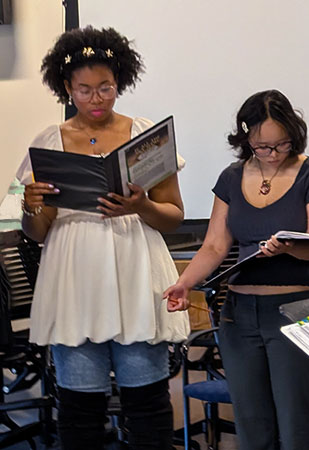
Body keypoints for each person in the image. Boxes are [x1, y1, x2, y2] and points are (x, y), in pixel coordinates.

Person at [16, 26, 189, 449]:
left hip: (135, 266)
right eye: (85, 90)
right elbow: (37, 232)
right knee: (78, 408)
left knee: (147, 403)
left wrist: (140, 206)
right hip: (74, 276)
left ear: (121, 82)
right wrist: (31, 206)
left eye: (106, 88)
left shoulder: (145, 135)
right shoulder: (49, 142)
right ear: (67, 88)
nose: (97, 99)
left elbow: (173, 216)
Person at [163, 89, 309, 449]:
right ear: (246, 139)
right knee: (253, 429)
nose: (273, 154)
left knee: (297, 430)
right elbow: (214, 245)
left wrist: (290, 246)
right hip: (238, 317)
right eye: (262, 147)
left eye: (282, 145)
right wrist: (184, 284)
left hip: (294, 314)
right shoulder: (231, 177)